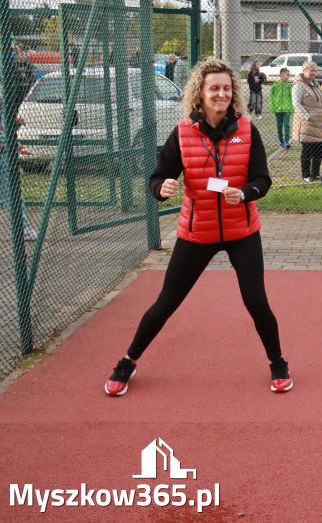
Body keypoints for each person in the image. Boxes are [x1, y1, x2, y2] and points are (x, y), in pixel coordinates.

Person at [102, 57, 291, 396]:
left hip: (241, 231)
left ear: (234, 93)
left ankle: (277, 362)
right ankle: (127, 362)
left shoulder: (247, 130)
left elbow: (263, 179)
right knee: (166, 302)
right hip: (197, 231)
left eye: (226, 88)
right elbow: (159, 176)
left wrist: (246, 193)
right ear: (200, 94)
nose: (221, 94)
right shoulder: (183, 133)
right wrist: (160, 189)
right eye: (214, 88)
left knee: (256, 301)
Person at [0, 97, 37, 241]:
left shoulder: (3, 110)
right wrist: (12, 141)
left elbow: (6, 129)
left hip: (3, 156)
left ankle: (24, 228)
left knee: (12, 194)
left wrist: (16, 125)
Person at [292, 61, 322, 182]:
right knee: (308, 150)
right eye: (311, 70)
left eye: (315, 70)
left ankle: (316, 173)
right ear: (304, 71)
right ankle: (306, 175)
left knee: (320, 148)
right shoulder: (299, 85)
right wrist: (307, 116)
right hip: (308, 124)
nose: (313, 73)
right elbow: (296, 103)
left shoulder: (316, 84)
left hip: (320, 123)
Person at [268, 68, 294, 148]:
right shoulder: (275, 85)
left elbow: (291, 97)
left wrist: (292, 109)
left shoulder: (288, 86)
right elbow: (271, 97)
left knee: (286, 125)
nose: (288, 77)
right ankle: (281, 141)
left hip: (287, 109)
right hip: (277, 109)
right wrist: (273, 107)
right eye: (287, 75)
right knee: (279, 126)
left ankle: (287, 141)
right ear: (282, 75)